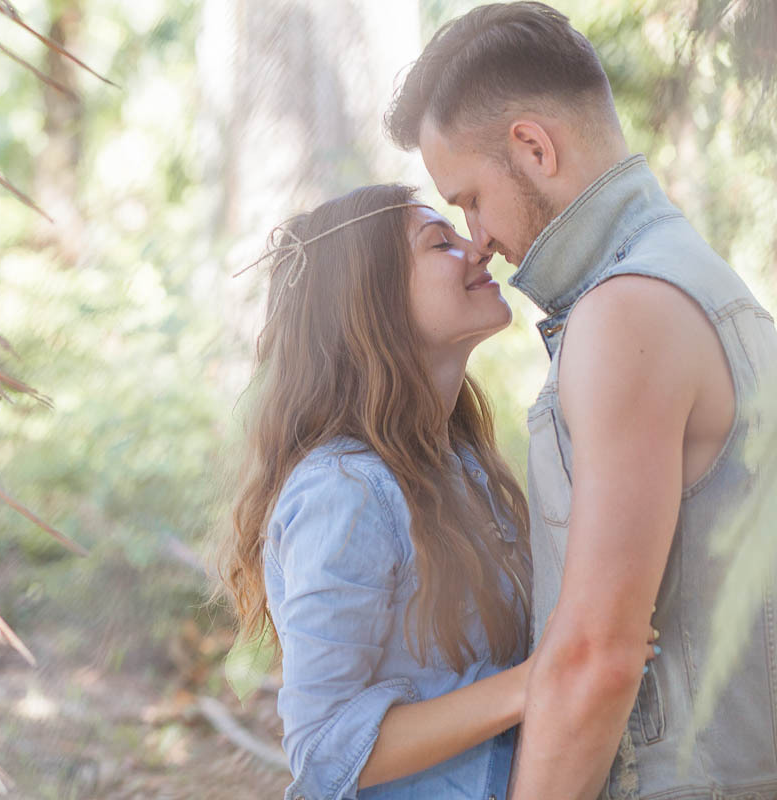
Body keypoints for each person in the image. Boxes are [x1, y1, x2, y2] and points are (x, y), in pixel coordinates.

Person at [385, 3, 777, 799]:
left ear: (533, 146)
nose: (477, 236)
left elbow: (598, 653)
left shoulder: (624, 313)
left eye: (470, 197)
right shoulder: (697, 280)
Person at [217, 183, 655, 800]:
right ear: (373, 301)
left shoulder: (461, 466)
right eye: (439, 242)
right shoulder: (344, 492)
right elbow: (322, 749)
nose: (477, 248)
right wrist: (539, 679)